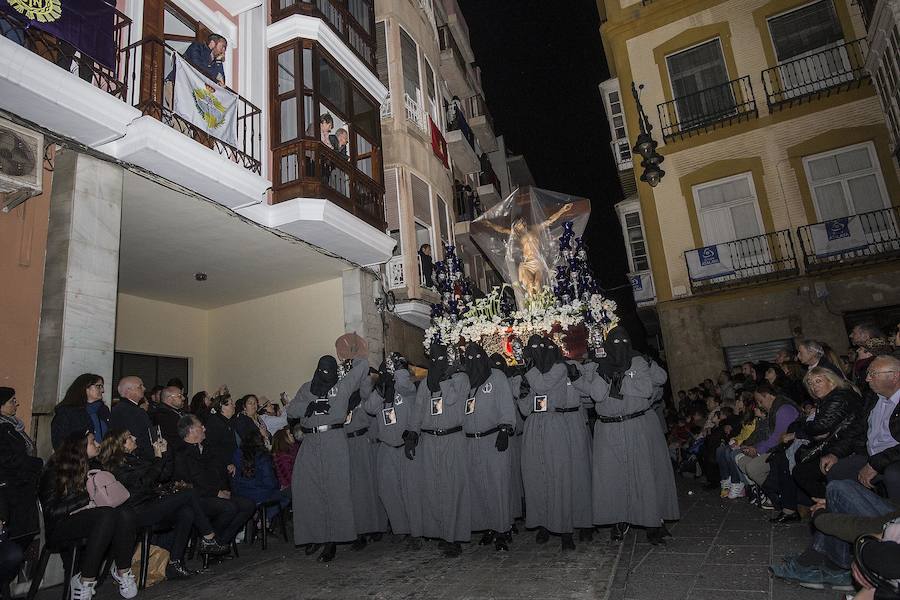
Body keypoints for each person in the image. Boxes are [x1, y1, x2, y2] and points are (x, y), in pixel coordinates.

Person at [574, 327, 677, 544]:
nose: (619, 346)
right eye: (614, 342)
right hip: (608, 428)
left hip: (636, 424)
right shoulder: (598, 365)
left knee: (645, 476)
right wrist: (593, 376)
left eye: (623, 341)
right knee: (612, 479)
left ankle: (652, 522)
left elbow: (646, 388)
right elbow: (594, 394)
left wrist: (619, 382)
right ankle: (618, 520)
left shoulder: (638, 361)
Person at [98, 429, 229, 579]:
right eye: (129, 437)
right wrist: (158, 459)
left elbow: (164, 475)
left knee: (187, 512)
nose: (134, 437)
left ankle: (175, 563)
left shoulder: (135, 458)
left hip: (151, 504)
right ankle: (208, 536)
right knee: (189, 494)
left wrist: (165, 453)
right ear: (121, 446)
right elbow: (144, 484)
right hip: (138, 511)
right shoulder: (117, 467)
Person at [286, 353, 369, 563]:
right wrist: (309, 407)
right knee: (307, 489)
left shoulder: (341, 386)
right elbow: (292, 409)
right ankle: (314, 534)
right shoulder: (307, 388)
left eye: (330, 370)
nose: (326, 375)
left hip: (334, 440)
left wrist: (350, 359)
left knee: (335, 491)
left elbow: (364, 365)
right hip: (310, 442)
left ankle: (331, 540)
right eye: (322, 370)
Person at [39, 432, 138, 600]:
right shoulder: (55, 470)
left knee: (125, 513)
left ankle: (123, 570)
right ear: (80, 447)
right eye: (93, 441)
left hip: (92, 521)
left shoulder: (95, 466)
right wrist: (87, 496)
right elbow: (51, 512)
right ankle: (86, 580)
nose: (98, 444)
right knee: (106, 515)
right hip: (61, 527)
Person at [517, 335, 582, 550]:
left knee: (559, 476)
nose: (536, 353)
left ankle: (565, 529)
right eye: (532, 349)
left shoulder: (559, 368)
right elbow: (526, 409)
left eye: (539, 349)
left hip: (555, 422)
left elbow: (543, 387)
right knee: (536, 476)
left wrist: (529, 371)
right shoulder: (530, 373)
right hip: (534, 425)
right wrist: (522, 392)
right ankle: (542, 523)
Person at [407, 344, 471, 557]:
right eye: (432, 359)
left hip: (452, 438)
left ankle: (454, 537)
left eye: (439, 358)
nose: (436, 362)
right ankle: (441, 533)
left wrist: (444, 380)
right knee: (433, 490)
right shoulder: (426, 383)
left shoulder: (460, 379)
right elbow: (418, 410)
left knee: (453, 489)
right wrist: (412, 434)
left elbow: (453, 401)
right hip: (429, 440)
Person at [815, 356, 900, 501]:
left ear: (895, 376)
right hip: (871, 454)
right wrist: (835, 453)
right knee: (836, 471)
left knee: (894, 475)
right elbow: (856, 430)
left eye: (873, 374)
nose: (867, 379)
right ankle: (862, 517)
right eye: (867, 374)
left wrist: (875, 465)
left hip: (893, 457)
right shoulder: (873, 398)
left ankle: (894, 518)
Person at [462, 343, 516, 551]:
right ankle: (488, 527)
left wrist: (505, 429)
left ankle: (503, 529)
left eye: (476, 356)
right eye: (468, 357)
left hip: (493, 438)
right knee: (477, 486)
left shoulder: (496, 377)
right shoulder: (466, 381)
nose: (473, 361)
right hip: (471, 441)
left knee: (497, 486)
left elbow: (505, 405)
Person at [173, 415, 255, 549]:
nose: (204, 428)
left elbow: (219, 471)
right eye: (201, 426)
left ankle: (218, 542)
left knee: (248, 505)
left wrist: (225, 488)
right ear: (192, 430)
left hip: (217, 492)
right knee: (229, 508)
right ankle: (210, 539)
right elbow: (190, 482)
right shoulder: (180, 453)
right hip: (199, 497)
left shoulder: (208, 447)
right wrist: (216, 492)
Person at [363, 354, 420, 547]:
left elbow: (406, 387)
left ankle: (416, 531)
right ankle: (400, 528)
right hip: (386, 447)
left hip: (406, 446)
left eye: (391, 369)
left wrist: (401, 370)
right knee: (389, 491)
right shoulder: (380, 391)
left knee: (411, 490)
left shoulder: (406, 388)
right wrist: (381, 388)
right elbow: (369, 408)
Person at [791, 367, 863, 503]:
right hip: (839, 444)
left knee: (801, 471)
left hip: (849, 446)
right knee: (798, 464)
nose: (814, 386)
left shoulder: (839, 396)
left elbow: (819, 426)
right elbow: (820, 429)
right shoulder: (829, 398)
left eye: (818, 381)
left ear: (831, 382)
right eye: (810, 383)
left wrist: (808, 428)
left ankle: (831, 503)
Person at [478, 203, 575, 299]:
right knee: (529, 284)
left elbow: (549, 220)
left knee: (537, 284)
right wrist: (490, 224)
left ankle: (541, 305)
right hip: (527, 263)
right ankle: (532, 307)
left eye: (521, 222)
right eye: (518, 225)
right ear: (516, 227)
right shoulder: (517, 235)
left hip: (537, 262)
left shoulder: (535, 229)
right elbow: (502, 229)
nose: (521, 225)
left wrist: (562, 210)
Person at [0, 388, 42, 555]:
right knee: (16, 538)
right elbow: (10, 459)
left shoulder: (12, 426)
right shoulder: (4, 429)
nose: (16, 403)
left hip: (22, 488)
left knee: (25, 534)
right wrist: (38, 463)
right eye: (12, 401)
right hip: (11, 489)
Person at [738, 382, 799, 496]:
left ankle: (779, 494)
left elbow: (778, 438)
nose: (760, 405)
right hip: (776, 448)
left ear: (768, 395)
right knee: (742, 461)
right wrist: (753, 447)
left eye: (760, 401)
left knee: (752, 468)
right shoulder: (775, 409)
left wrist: (757, 450)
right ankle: (768, 493)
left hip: (787, 450)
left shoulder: (784, 409)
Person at [230, 428, 290, 521]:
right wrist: (278, 485)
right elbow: (269, 481)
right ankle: (265, 518)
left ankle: (260, 517)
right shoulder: (262, 457)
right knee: (287, 496)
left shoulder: (237, 454)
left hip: (241, 493)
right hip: (260, 494)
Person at [51, 374, 109, 449]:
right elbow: (59, 442)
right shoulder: (67, 412)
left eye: (102, 386)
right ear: (85, 388)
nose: (102, 390)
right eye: (98, 386)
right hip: (77, 458)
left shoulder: (103, 410)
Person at [110, 376, 155, 459]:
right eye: (140, 386)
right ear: (129, 390)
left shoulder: (125, 408)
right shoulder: (129, 411)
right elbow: (138, 437)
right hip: (138, 459)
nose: (144, 388)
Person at [204, 392, 239, 480]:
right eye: (231, 404)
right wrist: (227, 463)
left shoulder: (229, 422)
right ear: (222, 407)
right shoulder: (215, 423)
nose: (234, 406)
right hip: (221, 467)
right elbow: (213, 447)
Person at [271, 428, 299, 493]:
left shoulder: (294, 448)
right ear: (284, 439)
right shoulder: (282, 458)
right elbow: (289, 477)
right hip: (289, 487)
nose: (292, 435)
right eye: (289, 434)